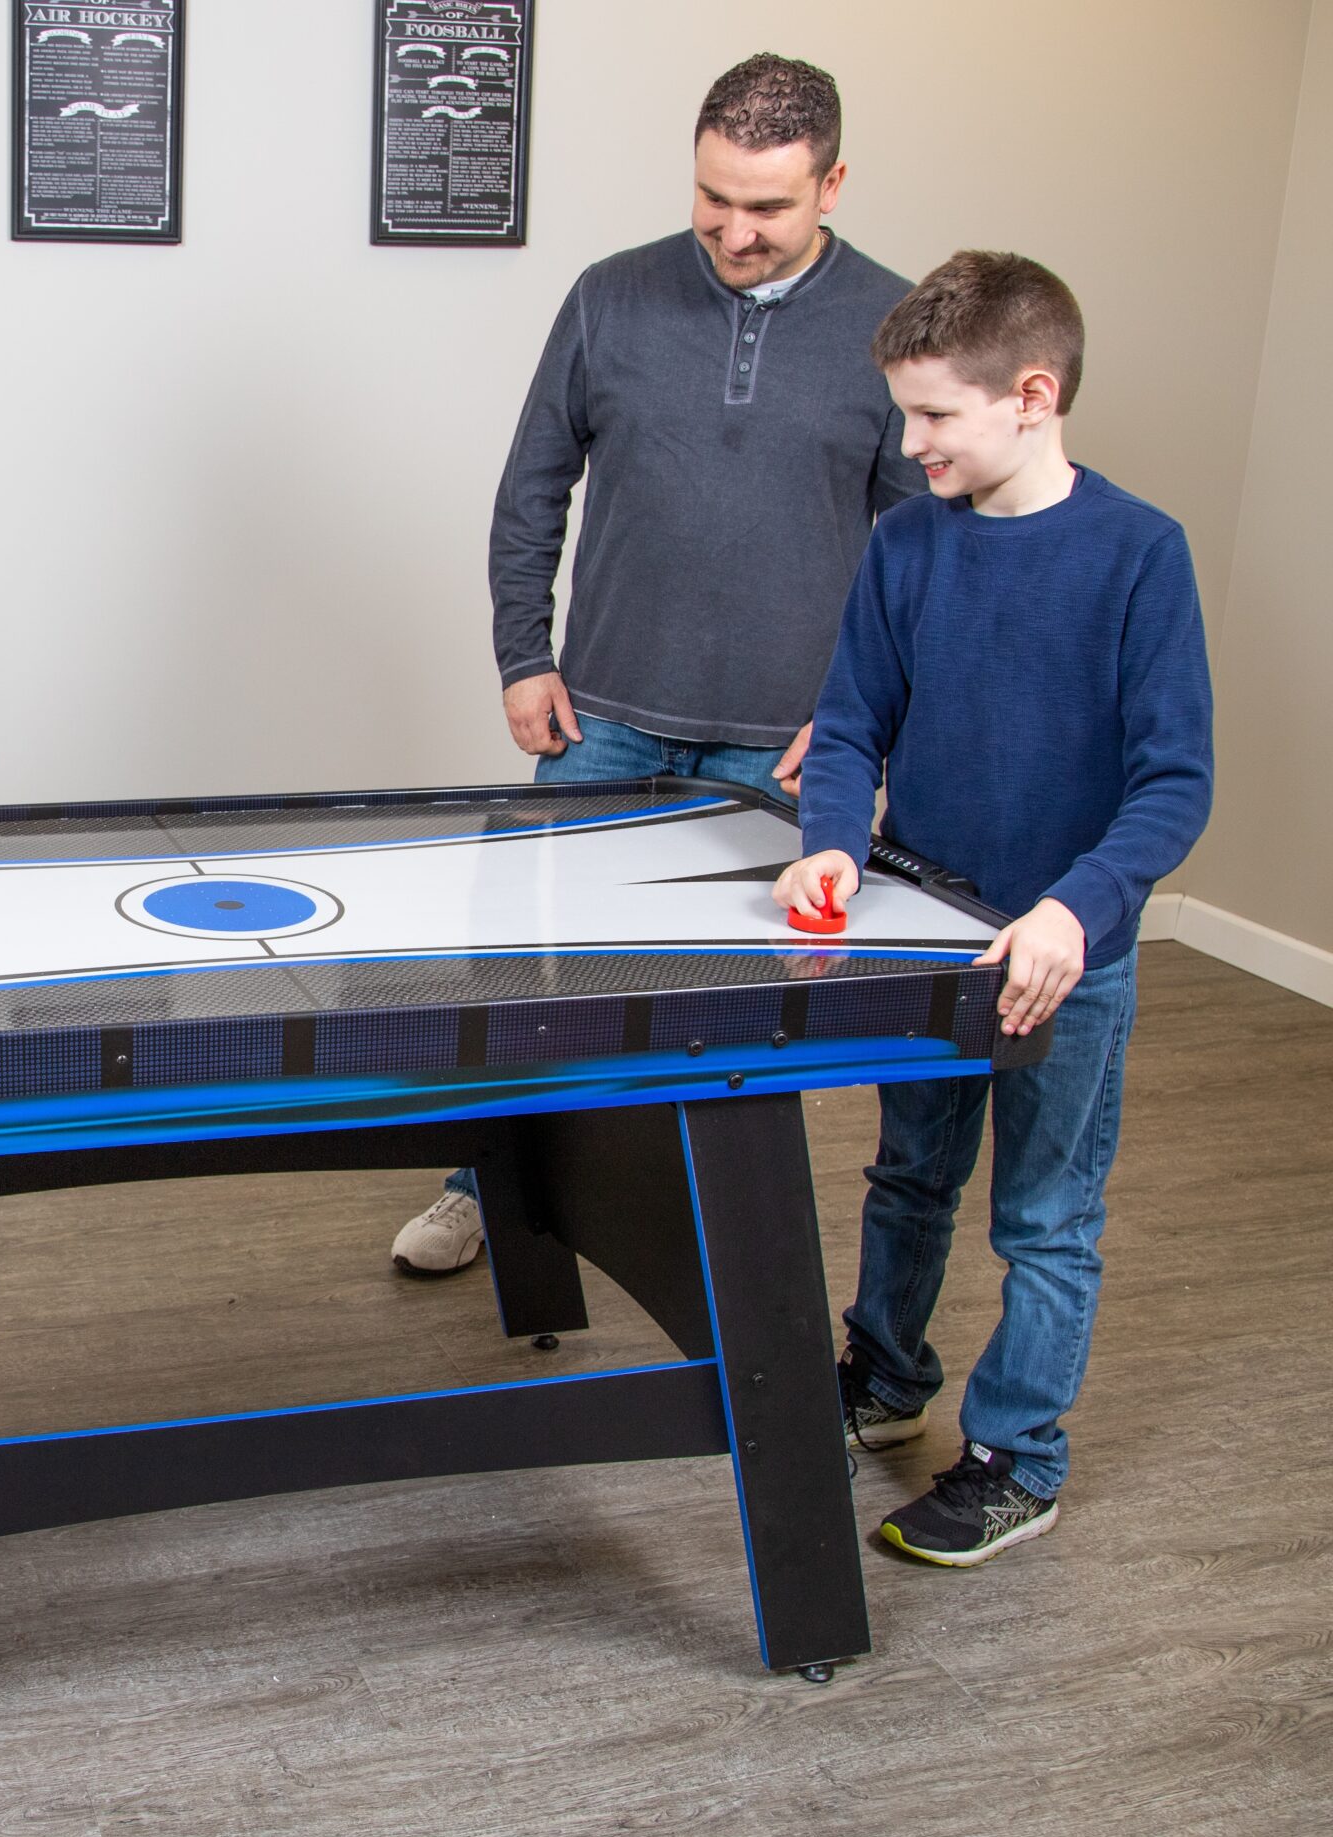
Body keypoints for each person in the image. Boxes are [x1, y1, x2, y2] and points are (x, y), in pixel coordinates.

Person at [391, 52, 930, 1275]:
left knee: (742, 1007)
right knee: (533, 979)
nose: (734, 232)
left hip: (784, 744)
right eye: (712, 198)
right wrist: (521, 654)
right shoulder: (609, 297)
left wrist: (867, 723)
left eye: (767, 207)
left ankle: (713, 1237)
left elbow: (920, 560)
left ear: (832, 183)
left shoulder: (895, 330)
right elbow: (531, 486)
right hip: (602, 720)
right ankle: (486, 1191)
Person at [775, 252, 1212, 1565]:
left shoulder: (1140, 554)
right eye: (903, 415)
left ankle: (1018, 1459)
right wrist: (831, 847)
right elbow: (850, 725)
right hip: (930, 935)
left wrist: (1078, 911)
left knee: (1044, 1217)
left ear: (1031, 395)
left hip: (1068, 957)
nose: (911, 446)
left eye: (933, 417)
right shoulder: (907, 545)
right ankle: (884, 1373)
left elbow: (1173, 782)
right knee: (910, 1174)